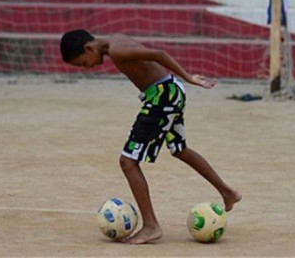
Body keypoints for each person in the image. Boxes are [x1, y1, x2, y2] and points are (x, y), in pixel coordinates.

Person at [59, 29, 241, 245]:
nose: (87, 68)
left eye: (83, 63)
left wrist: (189, 78)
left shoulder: (117, 51)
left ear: (88, 48)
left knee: (128, 162)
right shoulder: (116, 41)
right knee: (180, 150)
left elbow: (159, 54)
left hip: (162, 96)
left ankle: (151, 226)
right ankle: (227, 191)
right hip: (170, 92)